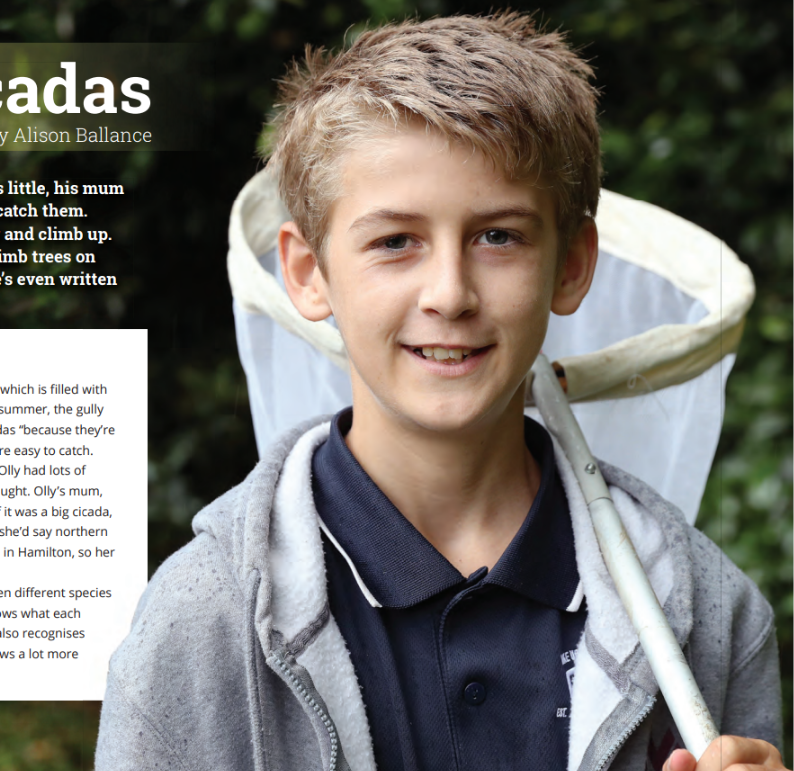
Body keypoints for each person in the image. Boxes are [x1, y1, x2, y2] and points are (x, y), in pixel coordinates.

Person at [95, 14, 785, 771]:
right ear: (306, 271)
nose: (450, 294)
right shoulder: (202, 619)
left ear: (572, 264)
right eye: (395, 241)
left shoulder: (714, 615)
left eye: (499, 236)